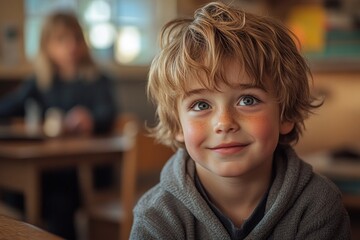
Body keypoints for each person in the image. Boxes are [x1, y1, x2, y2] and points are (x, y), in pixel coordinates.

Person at [130, 1, 351, 239]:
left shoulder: (318, 205)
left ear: (285, 114)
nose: (224, 123)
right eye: (201, 105)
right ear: (177, 125)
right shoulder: (156, 215)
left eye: (247, 100)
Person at [0, 11, 117, 240]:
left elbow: (109, 113)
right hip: (48, 168)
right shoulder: (42, 80)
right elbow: (9, 106)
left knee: (58, 200)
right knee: (17, 191)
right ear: (47, 46)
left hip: (86, 170)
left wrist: (90, 119)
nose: (71, 46)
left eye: (76, 38)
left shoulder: (96, 79)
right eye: (61, 40)